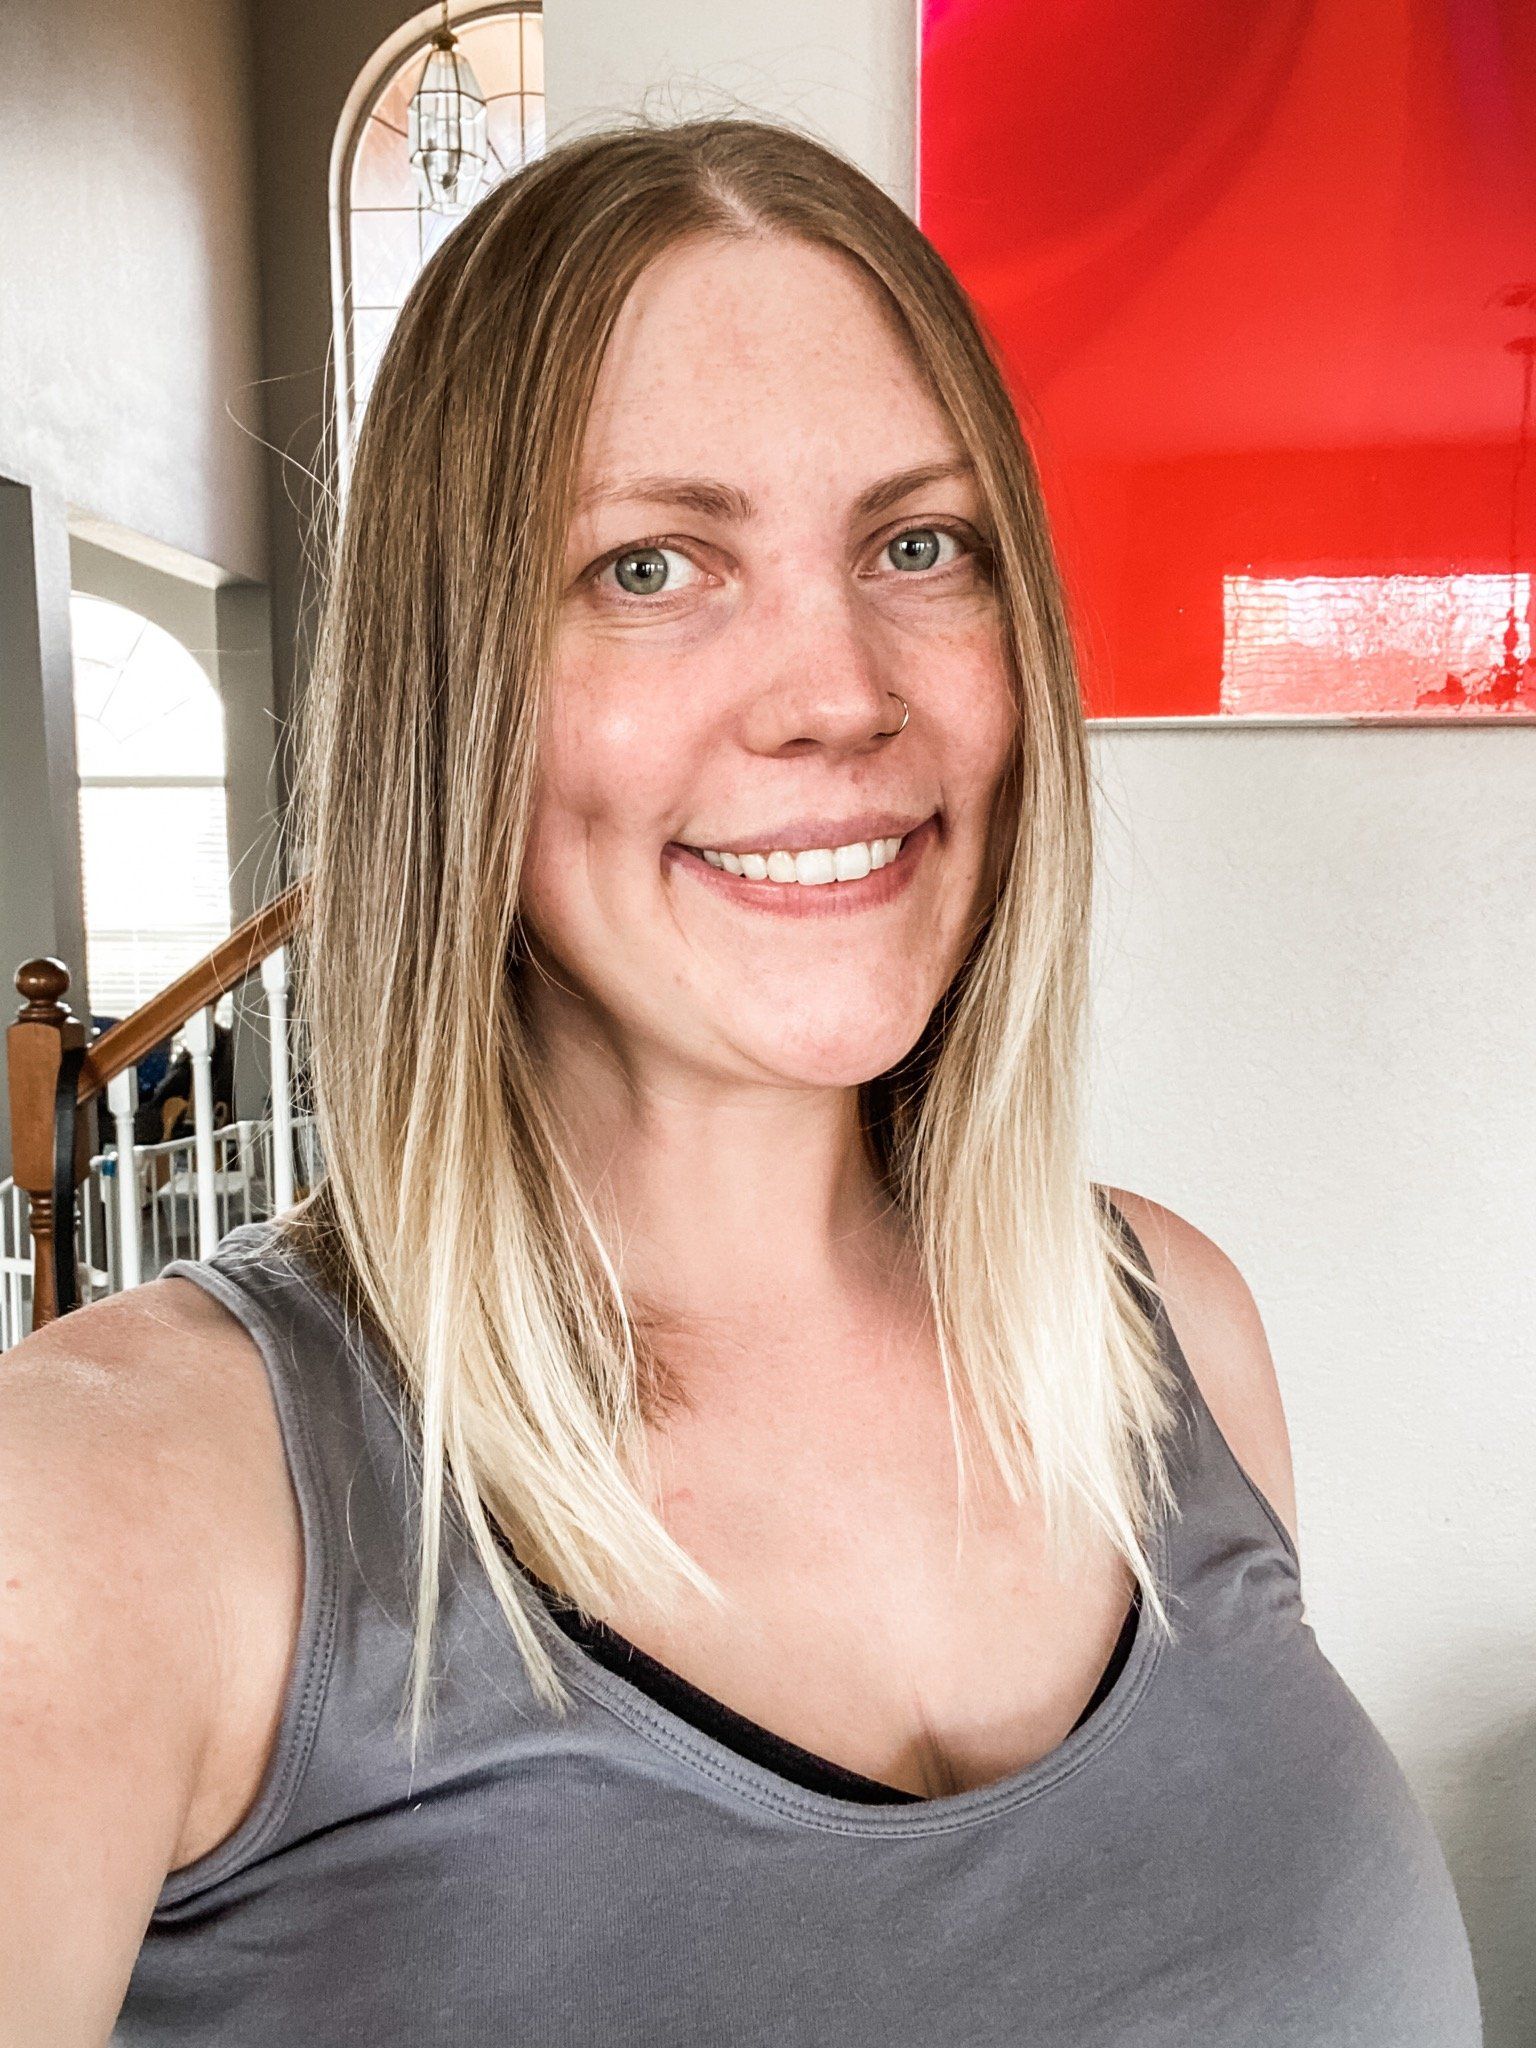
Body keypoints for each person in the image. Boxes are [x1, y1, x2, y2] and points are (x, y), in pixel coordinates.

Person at [0, 116, 1481, 2046]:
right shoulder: (109, 1508)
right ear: (459, 697)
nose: (840, 689)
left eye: (919, 544)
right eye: (651, 565)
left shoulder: (1171, 1335)